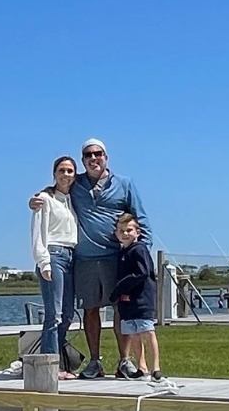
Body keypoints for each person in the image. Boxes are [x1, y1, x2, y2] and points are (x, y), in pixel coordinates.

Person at [30, 138, 151, 378]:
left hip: (116, 258)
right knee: (90, 310)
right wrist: (36, 199)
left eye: (98, 154)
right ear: (83, 160)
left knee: (121, 309)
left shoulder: (125, 184)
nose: (93, 158)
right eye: (88, 155)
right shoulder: (77, 183)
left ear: (106, 156)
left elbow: (141, 219)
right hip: (84, 259)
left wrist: (142, 254)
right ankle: (95, 361)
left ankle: (124, 361)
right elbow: (57, 188)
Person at [29, 155, 79, 378]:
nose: (66, 175)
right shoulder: (44, 199)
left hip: (72, 256)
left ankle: (57, 360)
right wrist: (44, 261)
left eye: (70, 171)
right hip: (54, 255)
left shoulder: (74, 200)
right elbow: (38, 232)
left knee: (67, 313)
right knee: (54, 313)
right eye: (62, 170)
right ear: (54, 174)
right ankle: (51, 364)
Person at [112, 212, 161, 380]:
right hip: (127, 302)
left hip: (142, 300)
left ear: (137, 232)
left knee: (148, 332)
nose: (125, 234)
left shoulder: (139, 249)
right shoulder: (122, 252)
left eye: (129, 230)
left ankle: (156, 368)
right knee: (133, 334)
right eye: (121, 230)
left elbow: (142, 273)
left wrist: (120, 287)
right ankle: (142, 367)